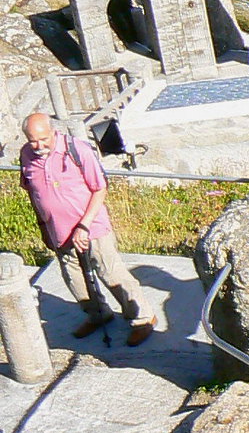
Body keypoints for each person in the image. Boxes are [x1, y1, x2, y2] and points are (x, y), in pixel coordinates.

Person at [18, 112, 157, 346]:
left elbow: (99, 188)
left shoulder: (78, 150)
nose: (39, 145)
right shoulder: (26, 154)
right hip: (58, 230)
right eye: (33, 140)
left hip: (92, 227)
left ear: (54, 132)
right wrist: (43, 226)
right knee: (73, 278)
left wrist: (84, 225)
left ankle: (142, 318)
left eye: (44, 139)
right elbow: (33, 192)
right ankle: (98, 314)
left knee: (110, 273)